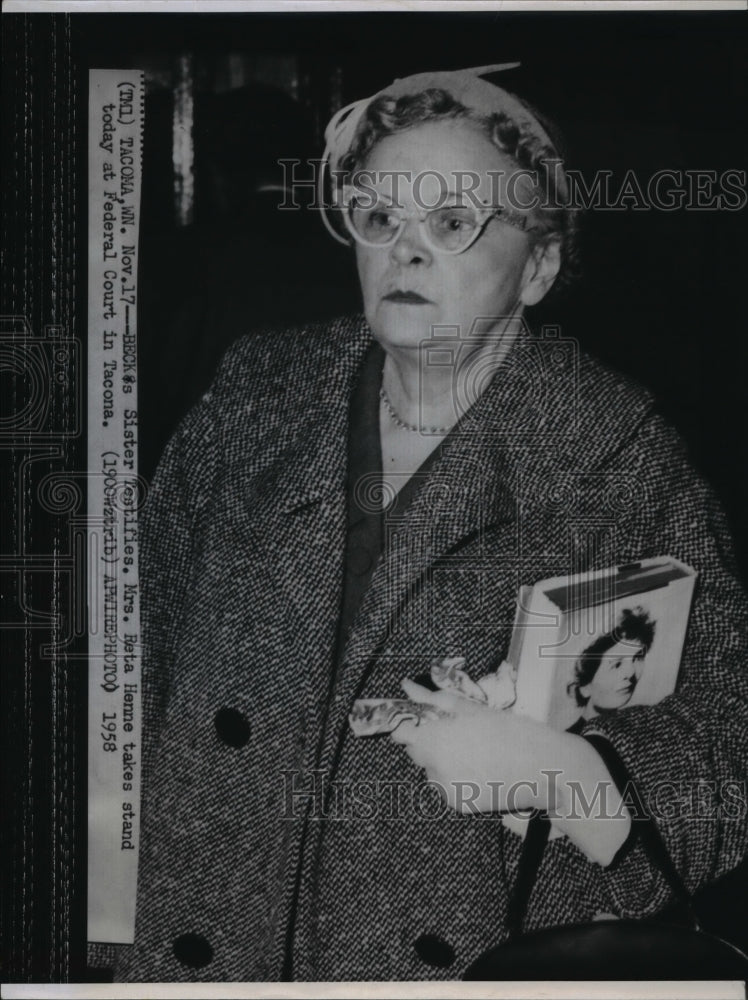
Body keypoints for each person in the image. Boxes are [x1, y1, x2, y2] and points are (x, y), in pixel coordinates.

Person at [107, 66, 748, 982]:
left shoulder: (619, 458)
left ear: (537, 267)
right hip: (199, 946)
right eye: (380, 219)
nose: (403, 254)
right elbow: (131, 669)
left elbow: (729, 746)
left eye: (451, 225)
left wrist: (566, 774)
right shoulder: (257, 395)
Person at [568, 607, 656, 721]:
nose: (631, 672)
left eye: (638, 657)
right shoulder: (569, 738)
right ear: (585, 687)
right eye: (617, 664)